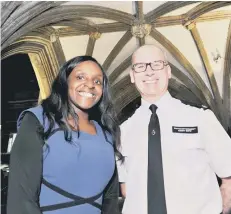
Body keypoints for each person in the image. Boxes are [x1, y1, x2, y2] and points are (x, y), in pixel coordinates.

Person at [116, 45, 231, 214]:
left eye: (156, 64)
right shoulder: (123, 129)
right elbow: (126, 188)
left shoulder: (200, 117)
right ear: (132, 76)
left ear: (168, 71)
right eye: (140, 67)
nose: (149, 72)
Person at [7, 55, 122, 214]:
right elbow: (21, 197)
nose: (90, 84)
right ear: (65, 81)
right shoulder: (38, 120)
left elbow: (111, 199)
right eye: (80, 77)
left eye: (97, 81)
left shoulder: (107, 134)